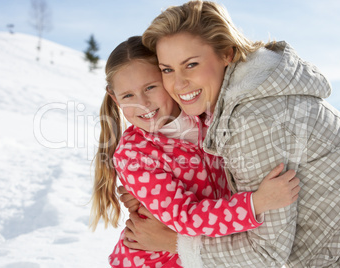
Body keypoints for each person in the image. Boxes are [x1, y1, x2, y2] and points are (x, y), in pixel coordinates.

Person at [120, 1, 340, 267]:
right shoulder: (243, 95)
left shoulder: (253, 120)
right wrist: (151, 190)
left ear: (226, 53)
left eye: (191, 64)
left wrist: (172, 243)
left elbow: (265, 254)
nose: (178, 83)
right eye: (167, 69)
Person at [89, 36, 301, 268]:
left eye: (150, 87)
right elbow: (185, 217)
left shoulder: (205, 116)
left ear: (168, 79)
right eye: (128, 96)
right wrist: (256, 203)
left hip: (206, 254)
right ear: (114, 98)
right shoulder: (135, 154)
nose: (143, 103)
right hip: (157, 261)